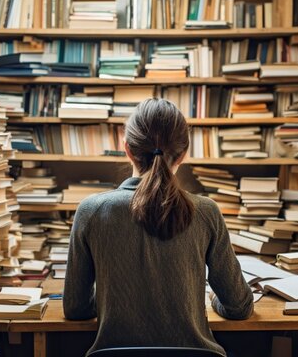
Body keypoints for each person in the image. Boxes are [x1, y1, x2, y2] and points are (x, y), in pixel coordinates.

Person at [63, 98, 254, 356]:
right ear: (183, 154)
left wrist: (115, 298)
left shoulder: (91, 211)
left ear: (127, 149)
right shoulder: (206, 212)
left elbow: (75, 309)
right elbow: (239, 307)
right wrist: (211, 300)